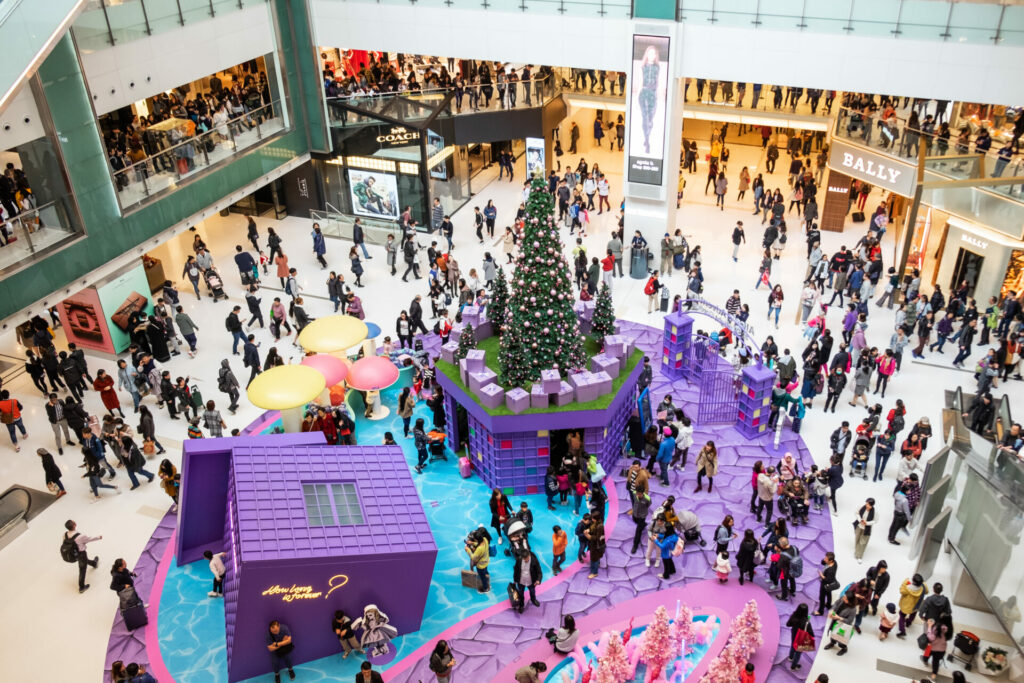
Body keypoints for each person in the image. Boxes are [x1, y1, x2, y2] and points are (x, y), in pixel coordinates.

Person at [64, 519, 101, 593]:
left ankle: (94, 563)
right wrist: (99, 537)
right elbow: (89, 539)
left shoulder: (65, 535)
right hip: (81, 553)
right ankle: (81, 587)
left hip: (74, 553)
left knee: (83, 561)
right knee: (82, 569)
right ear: (74, 525)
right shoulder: (80, 536)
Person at [786, 602, 814, 670]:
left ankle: (790, 657)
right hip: (801, 638)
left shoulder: (794, 616)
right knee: (798, 653)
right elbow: (811, 633)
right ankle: (793, 666)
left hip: (794, 634)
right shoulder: (806, 622)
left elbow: (788, 624)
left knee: (793, 645)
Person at [464, 528, 490, 593]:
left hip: (481, 565)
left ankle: (485, 588)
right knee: (485, 571)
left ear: (476, 539)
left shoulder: (479, 549)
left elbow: (473, 558)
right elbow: (479, 543)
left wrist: (468, 550)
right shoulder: (485, 540)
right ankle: (487, 576)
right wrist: (472, 543)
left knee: (482, 577)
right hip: (486, 561)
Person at [853, 497, 875, 563]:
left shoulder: (875, 512)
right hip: (859, 526)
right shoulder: (861, 507)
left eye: (868, 504)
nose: (866, 505)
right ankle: (857, 551)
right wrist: (860, 520)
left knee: (863, 542)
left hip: (866, 528)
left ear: (871, 505)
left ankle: (859, 556)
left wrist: (867, 523)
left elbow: (875, 521)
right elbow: (856, 513)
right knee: (857, 538)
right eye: (866, 503)